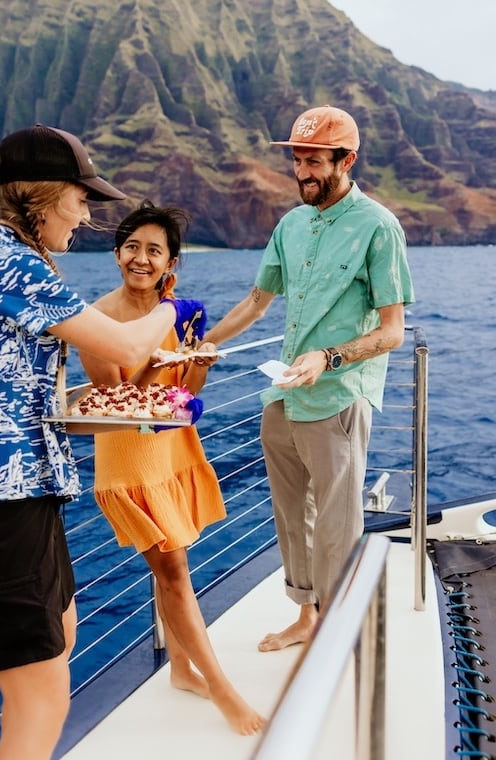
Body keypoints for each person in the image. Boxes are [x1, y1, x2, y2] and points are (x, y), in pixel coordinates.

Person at [0, 125, 206, 760]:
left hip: (24, 496)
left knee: (61, 636)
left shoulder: (7, 261)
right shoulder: (9, 262)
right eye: (80, 200)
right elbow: (126, 345)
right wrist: (174, 307)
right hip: (1, 507)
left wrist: (139, 411)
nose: (86, 216)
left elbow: (42, 404)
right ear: (45, 196)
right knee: (42, 697)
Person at [204, 105, 415, 652]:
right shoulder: (290, 224)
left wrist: (329, 357)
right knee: (291, 514)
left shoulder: (379, 226)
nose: (303, 173)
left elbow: (393, 331)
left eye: (314, 161)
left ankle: (340, 630)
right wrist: (206, 346)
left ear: (347, 160)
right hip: (285, 393)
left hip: (340, 396)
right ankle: (307, 617)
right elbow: (256, 301)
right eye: (297, 160)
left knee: (337, 524)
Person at [78, 200, 265, 735]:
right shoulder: (99, 318)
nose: (141, 258)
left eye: (153, 250)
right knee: (175, 571)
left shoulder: (179, 313)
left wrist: (194, 365)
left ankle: (181, 669)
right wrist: (154, 368)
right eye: (132, 247)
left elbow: (183, 398)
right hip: (129, 457)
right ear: (116, 254)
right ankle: (224, 692)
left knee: (169, 564)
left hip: (171, 447)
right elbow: (117, 401)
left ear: (169, 266)